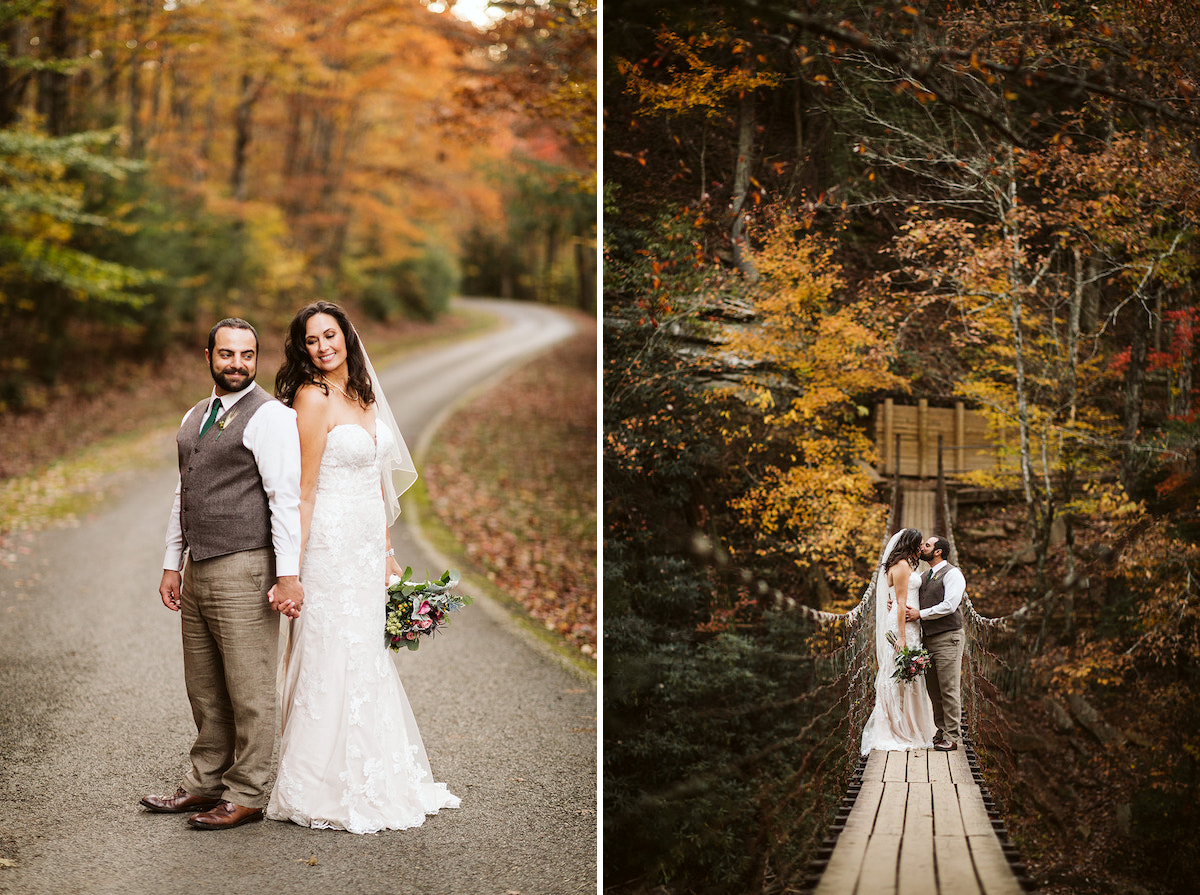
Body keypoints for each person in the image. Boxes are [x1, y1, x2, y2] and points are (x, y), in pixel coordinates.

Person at [266, 300, 460, 833]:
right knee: (328, 653)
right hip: (326, 548)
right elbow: (302, 491)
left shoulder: (365, 395)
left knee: (367, 656)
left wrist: (387, 553)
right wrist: (293, 568)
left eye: (330, 335)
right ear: (302, 349)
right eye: (312, 341)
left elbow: (377, 486)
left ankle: (374, 773)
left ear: (347, 337)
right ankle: (316, 782)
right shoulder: (312, 397)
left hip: (363, 548)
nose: (323, 347)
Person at [141, 318, 304, 830]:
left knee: (249, 687)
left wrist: (289, 574)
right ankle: (204, 782)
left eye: (248, 355)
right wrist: (172, 563)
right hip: (198, 567)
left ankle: (248, 792)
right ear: (208, 354)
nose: (238, 363)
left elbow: (285, 500)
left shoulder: (271, 417)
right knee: (204, 686)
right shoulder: (195, 415)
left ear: (258, 359)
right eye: (228, 353)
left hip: (247, 567)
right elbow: (182, 494)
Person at [860, 527, 935, 755]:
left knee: (903, 674)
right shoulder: (902, 565)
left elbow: (893, 597)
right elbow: (901, 603)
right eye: (920, 543)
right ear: (911, 544)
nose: (922, 547)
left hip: (909, 623)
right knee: (900, 674)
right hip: (904, 625)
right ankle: (898, 728)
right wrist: (901, 637)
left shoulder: (904, 564)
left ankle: (904, 724)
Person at [902, 534, 966, 751]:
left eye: (927, 545)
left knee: (949, 688)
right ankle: (941, 730)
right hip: (927, 639)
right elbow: (911, 596)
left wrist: (920, 614)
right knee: (934, 689)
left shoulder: (953, 574)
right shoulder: (925, 575)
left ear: (938, 551)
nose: (922, 548)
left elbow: (950, 605)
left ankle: (952, 735)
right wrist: (898, 603)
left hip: (949, 637)